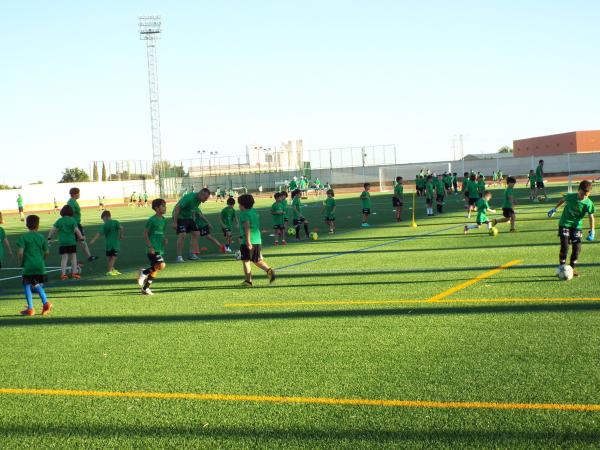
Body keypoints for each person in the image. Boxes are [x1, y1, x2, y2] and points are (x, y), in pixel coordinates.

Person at [548, 180, 595, 276]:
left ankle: (572, 268)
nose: (583, 197)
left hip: (577, 227)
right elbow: (563, 200)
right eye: (581, 194)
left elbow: (591, 216)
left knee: (577, 249)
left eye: (586, 195)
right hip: (564, 224)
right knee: (565, 246)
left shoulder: (589, 203)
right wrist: (555, 209)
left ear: (589, 194)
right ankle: (562, 267)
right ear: (578, 190)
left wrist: (592, 230)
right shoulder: (570, 196)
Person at [16, 215, 52, 316]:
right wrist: (42, 260)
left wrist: (20, 262)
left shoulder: (24, 237)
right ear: (38, 225)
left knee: (27, 285)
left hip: (29, 266)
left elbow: (20, 252)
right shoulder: (41, 237)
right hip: (40, 265)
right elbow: (47, 252)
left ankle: (31, 308)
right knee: (36, 284)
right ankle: (45, 303)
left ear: (27, 225)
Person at [238, 194, 275, 287]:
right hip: (257, 239)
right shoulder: (254, 211)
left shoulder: (244, 214)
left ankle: (248, 281)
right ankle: (269, 271)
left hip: (249, 240)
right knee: (256, 260)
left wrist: (247, 241)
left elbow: (247, 227)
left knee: (246, 260)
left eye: (239, 204)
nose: (238, 206)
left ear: (243, 205)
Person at [137, 198, 168, 295]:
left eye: (165, 206)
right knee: (161, 265)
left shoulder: (164, 220)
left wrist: (164, 238)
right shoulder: (152, 220)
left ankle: (145, 288)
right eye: (162, 206)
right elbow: (145, 234)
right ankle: (144, 272)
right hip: (152, 249)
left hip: (159, 248)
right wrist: (150, 246)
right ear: (156, 208)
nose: (165, 208)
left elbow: (161, 232)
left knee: (155, 268)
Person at [47, 204, 83, 280]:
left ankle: (63, 274)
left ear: (62, 212)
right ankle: (74, 273)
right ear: (71, 212)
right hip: (71, 242)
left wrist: (49, 238)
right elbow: (77, 231)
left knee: (64, 258)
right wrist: (81, 238)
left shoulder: (59, 220)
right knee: (73, 257)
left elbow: (53, 230)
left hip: (62, 243)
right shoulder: (72, 220)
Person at [172, 188, 203, 262]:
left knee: (196, 233)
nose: (206, 199)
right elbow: (177, 208)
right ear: (201, 194)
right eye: (205, 197)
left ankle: (191, 254)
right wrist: (175, 222)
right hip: (180, 216)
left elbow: (192, 209)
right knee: (182, 235)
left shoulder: (199, 200)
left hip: (188, 217)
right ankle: (179, 257)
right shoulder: (189, 198)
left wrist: (193, 220)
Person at [89, 210, 124, 276]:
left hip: (108, 244)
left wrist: (93, 240)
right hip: (114, 244)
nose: (103, 221)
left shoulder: (105, 225)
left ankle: (112, 269)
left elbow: (98, 233)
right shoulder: (116, 222)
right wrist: (121, 235)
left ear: (106, 217)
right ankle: (110, 270)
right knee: (113, 257)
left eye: (103, 219)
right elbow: (121, 228)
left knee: (109, 258)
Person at [67, 187, 97, 262]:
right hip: (75, 224)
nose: (79, 194)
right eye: (78, 193)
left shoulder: (72, 201)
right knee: (81, 240)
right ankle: (80, 259)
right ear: (74, 194)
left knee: (81, 241)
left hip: (76, 224)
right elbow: (70, 214)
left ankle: (89, 256)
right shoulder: (72, 202)